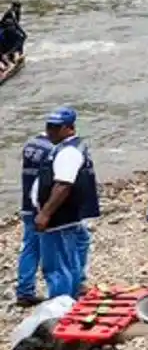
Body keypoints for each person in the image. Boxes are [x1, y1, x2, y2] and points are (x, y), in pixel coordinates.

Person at [30, 107, 98, 300]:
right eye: (49, 127)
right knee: (69, 260)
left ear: (70, 129)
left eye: (56, 128)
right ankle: (71, 298)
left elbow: (63, 185)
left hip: (59, 218)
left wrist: (45, 214)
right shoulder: (69, 147)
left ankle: (60, 306)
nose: (50, 131)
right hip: (67, 216)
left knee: (57, 266)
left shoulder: (68, 152)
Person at [15, 130, 54, 306]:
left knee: (30, 248)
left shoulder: (30, 145)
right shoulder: (52, 149)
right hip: (41, 207)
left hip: (27, 205)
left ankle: (24, 291)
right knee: (54, 249)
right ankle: (59, 291)